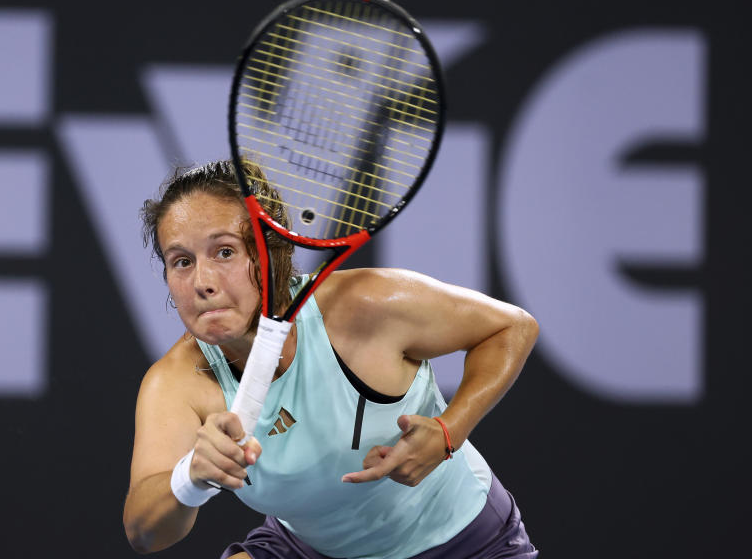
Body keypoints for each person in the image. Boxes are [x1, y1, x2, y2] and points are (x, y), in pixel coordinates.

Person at [122, 160, 540, 558]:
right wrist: (191, 478)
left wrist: (449, 432)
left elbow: (512, 327)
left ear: (270, 252)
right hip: (312, 549)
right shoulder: (176, 381)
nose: (202, 283)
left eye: (225, 252)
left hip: (463, 543)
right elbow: (143, 532)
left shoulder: (365, 306)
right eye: (182, 262)